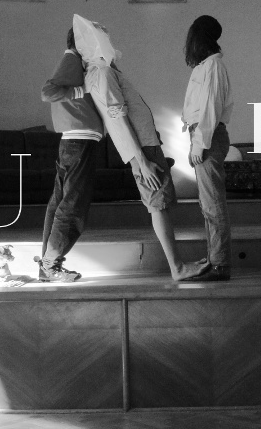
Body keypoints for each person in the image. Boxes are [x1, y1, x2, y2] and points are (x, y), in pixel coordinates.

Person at [74, 15, 209, 282]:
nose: (108, 39)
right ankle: (177, 268)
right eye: (103, 35)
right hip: (142, 150)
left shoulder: (104, 71)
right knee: (158, 205)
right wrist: (141, 161)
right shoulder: (102, 73)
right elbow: (117, 119)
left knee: (161, 204)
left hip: (146, 145)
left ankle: (178, 266)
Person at [35, 29, 107, 282]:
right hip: (80, 141)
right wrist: (82, 90)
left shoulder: (76, 61)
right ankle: (50, 265)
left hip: (74, 141)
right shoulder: (72, 58)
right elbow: (48, 92)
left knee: (60, 204)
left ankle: (47, 266)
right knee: (72, 206)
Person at [180, 15, 233, 281]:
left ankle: (220, 264)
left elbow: (210, 108)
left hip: (208, 138)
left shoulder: (213, 65)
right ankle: (214, 258)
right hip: (204, 136)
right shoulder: (206, 65)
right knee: (208, 204)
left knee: (213, 204)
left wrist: (200, 144)